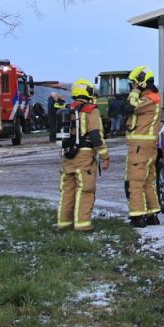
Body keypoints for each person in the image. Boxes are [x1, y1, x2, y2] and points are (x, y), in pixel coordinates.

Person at [58, 79, 108, 232]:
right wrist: (105, 156)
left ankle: (64, 223)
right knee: (85, 190)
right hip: (85, 156)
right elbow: (95, 135)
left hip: (68, 156)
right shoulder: (91, 110)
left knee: (68, 191)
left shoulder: (67, 109)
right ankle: (83, 225)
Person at [124, 67, 162, 227]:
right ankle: (152, 214)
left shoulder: (148, 100)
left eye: (134, 83)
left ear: (141, 83)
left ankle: (137, 217)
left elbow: (129, 107)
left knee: (135, 182)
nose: (133, 86)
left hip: (140, 147)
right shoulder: (152, 98)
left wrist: (135, 91)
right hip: (147, 147)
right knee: (147, 181)